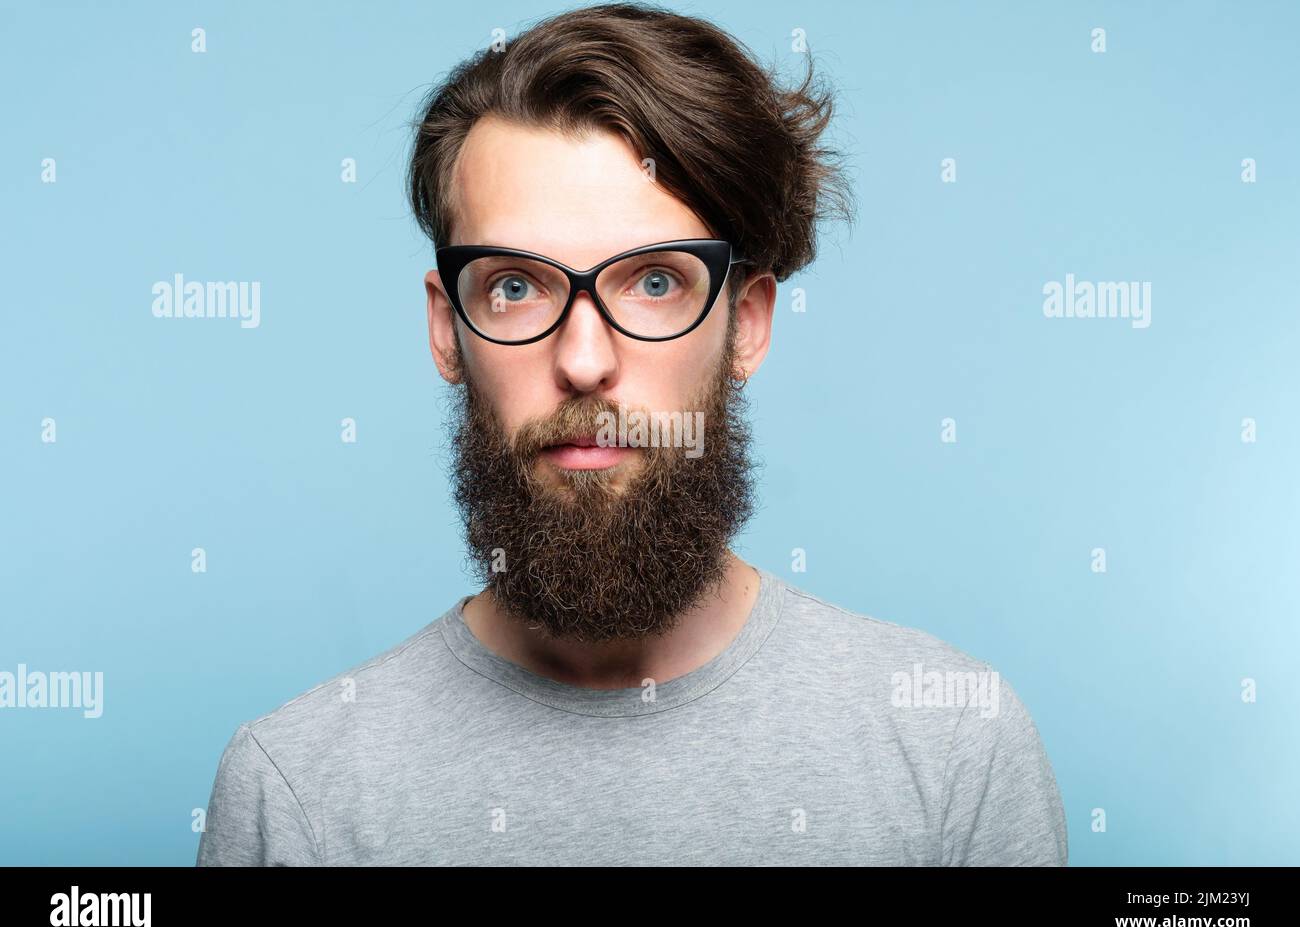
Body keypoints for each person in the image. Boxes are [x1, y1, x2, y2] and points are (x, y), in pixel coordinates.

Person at [196, 2, 1067, 866]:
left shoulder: (953, 748)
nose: (583, 360)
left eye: (654, 282)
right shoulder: (298, 793)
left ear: (747, 325)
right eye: (513, 287)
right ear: (444, 328)